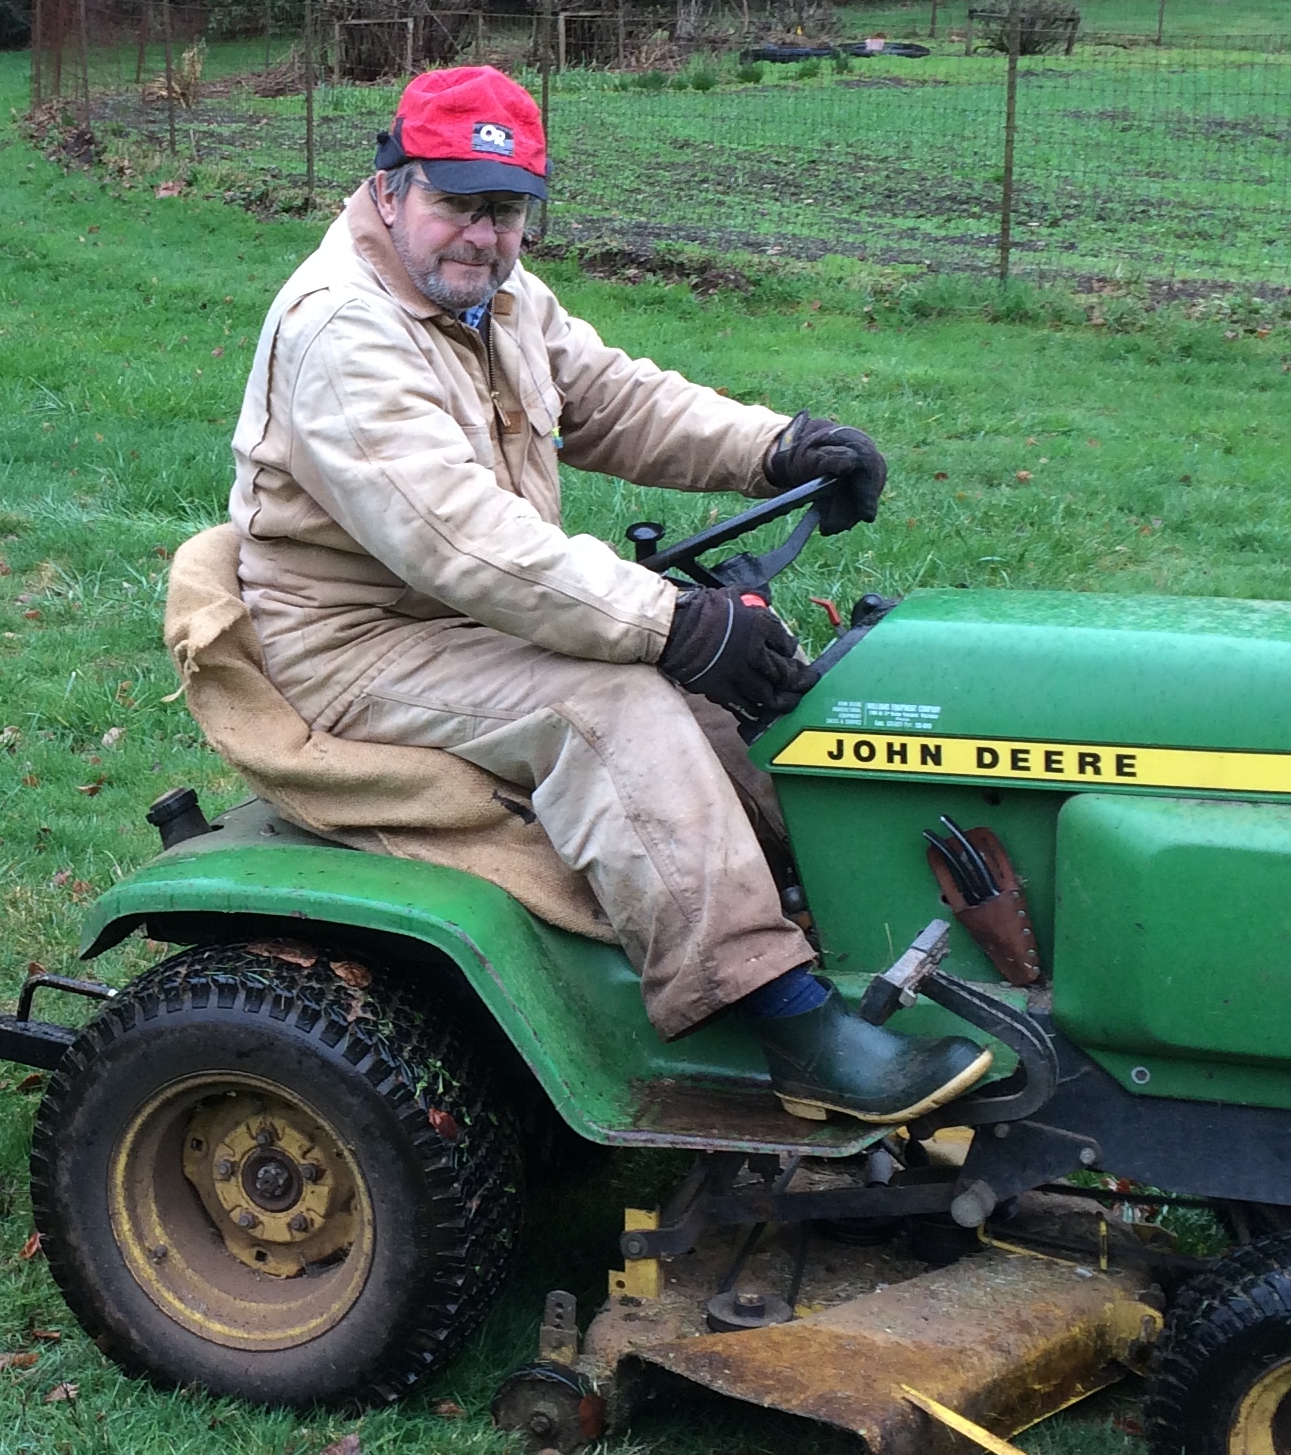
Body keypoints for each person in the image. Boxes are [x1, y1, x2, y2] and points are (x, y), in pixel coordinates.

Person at [227, 63, 988, 1123]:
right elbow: (463, 543)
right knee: (612, 707)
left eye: (508, 211)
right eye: (458, 203)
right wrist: (671, 625)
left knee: (746, 697)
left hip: (475, 612)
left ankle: (837, 924)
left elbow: (614, 399)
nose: (484, 236)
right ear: (391, 188)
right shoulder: (342, 331)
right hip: (361, 645)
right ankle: (783, 1018)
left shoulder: (493, 298)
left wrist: (776, 449)